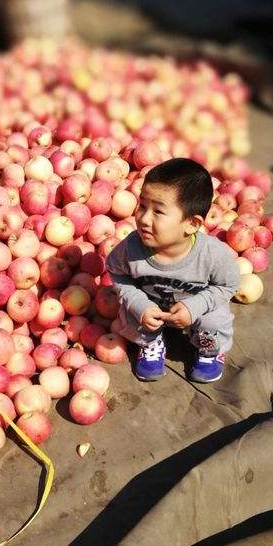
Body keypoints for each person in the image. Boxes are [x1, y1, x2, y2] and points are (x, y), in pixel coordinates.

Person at [106, 158, 239, 384]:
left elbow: (228, 286)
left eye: (158, 211)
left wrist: (195, 306)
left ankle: (208, 351)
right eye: (142, 206)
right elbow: (116, 273)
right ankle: (151, 343)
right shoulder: (131, 248)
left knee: (215, 320)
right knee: (129, 312)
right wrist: (140, 304)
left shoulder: (213, 254)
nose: (144, 219)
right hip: (152, 309)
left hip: (196, 308)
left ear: (191, 224)